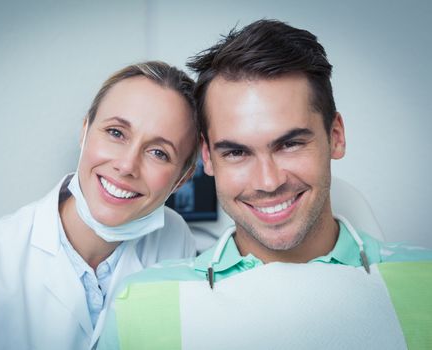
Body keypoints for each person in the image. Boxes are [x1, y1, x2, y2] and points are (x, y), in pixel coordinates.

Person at [96, 20, 432, 349]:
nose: (268, 182)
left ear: (336, 136)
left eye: (290, 144)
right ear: (208, 158)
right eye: (237, 152)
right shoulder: (139, 304)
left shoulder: (424, 284)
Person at [0, 61, 200, 349]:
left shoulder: (175, 240)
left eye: (159, 153)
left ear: (182, 178)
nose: (126, 165)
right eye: (116, 133)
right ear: (85, 131)